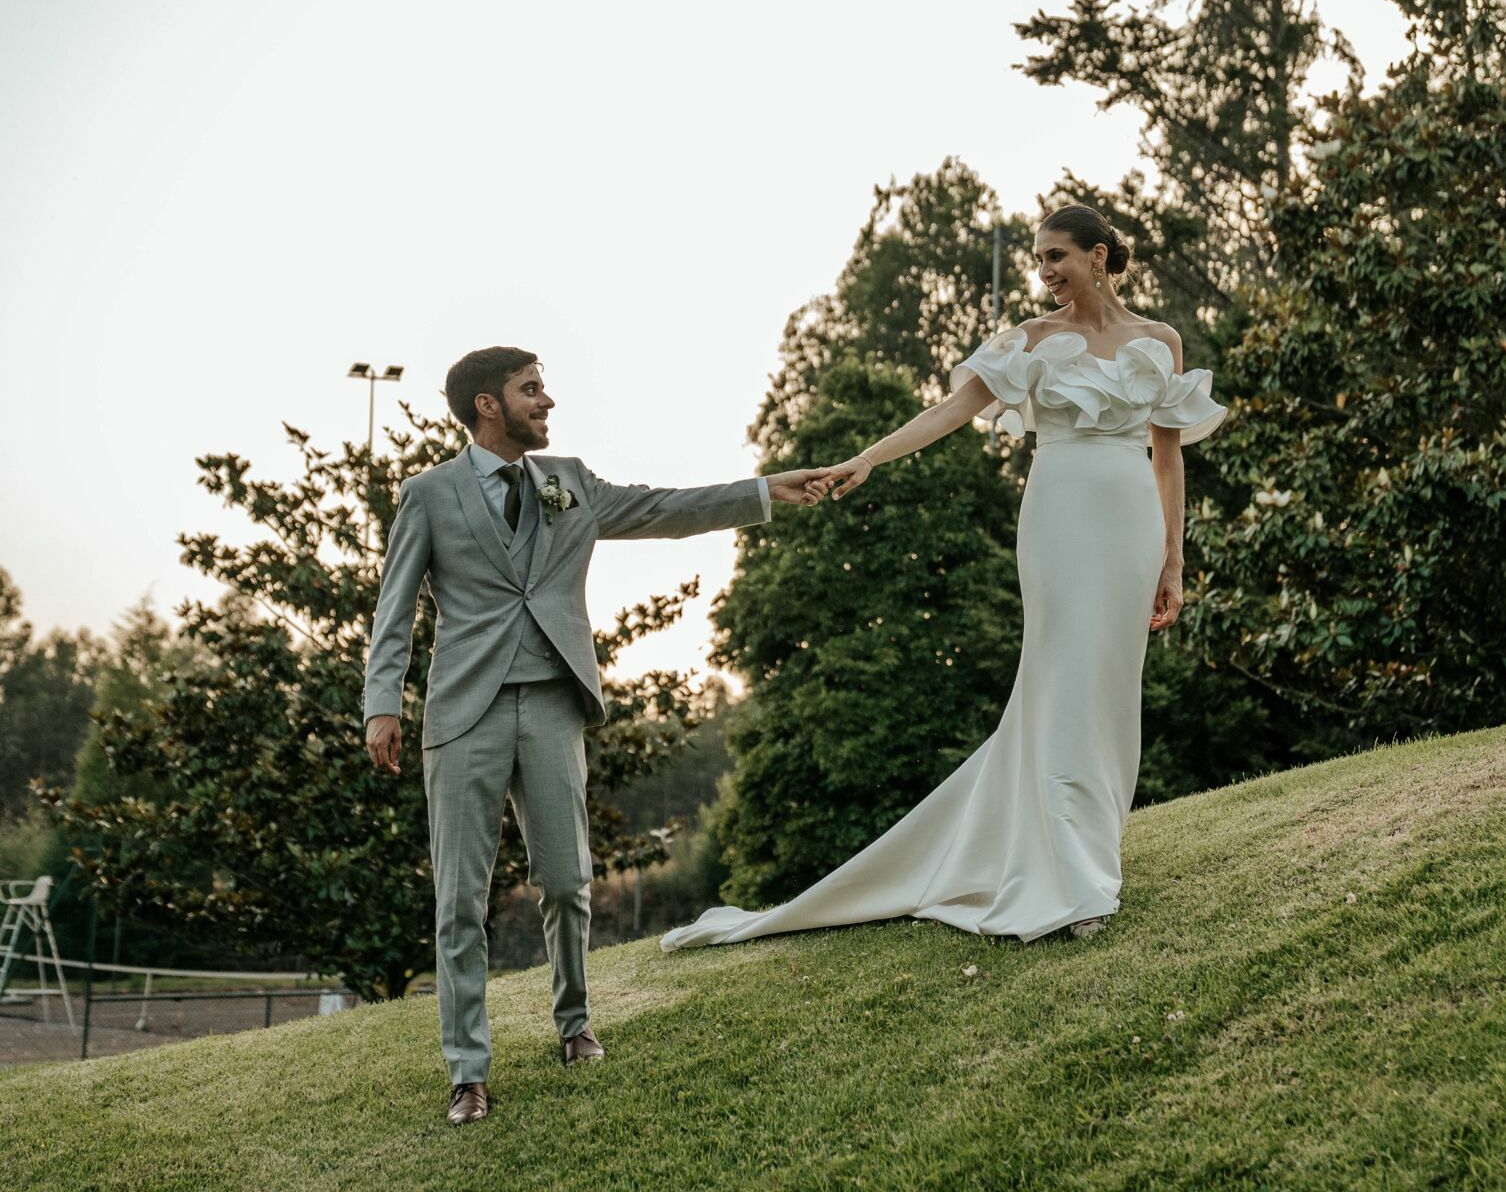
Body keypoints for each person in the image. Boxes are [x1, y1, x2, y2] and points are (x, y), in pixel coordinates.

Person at [660, 205, 1227, 953]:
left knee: (1109, 685)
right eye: (1038, 260)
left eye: (1057, 255)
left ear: (1098, 256)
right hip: (1058, 520)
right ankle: (1070, 876)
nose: (1046, 271)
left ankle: (1090, 846)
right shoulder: (1029, 341)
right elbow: (953, 409)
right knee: (1059, 678)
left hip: (1131, 526)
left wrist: (1173, 560)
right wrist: (868, 457)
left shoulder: (1160, 341)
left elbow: (1169, 454)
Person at [362, 345, 831, 1125]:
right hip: (462, 713)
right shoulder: (429, 495)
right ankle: (467, 1072)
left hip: (551, 704)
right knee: (459, 902)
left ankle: (574, 1024)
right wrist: (384, 702)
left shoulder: (568, 482)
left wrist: (766, 491)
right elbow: (394, 605)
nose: (548, 402)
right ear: (487, 405)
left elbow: (664, 508)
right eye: (531, 390)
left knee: (567, 881)